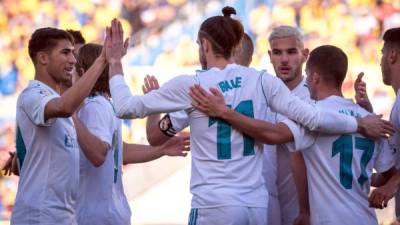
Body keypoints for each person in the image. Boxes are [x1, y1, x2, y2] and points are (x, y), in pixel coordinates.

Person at [107, 7, 392, 225]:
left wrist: (115, 62)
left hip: (214, 203)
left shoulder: (191, 86)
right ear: (235, 46)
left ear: (205, 45)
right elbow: (314, 119)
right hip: (256, 206)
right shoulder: (262, 82)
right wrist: (357, 122)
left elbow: (125, 107)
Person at [190, 44, 399, 225]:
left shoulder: (313, 117)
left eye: (308, 76)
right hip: (365, 218)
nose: (306, 82)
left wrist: (224, 112)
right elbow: (385, 177)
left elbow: (271, 135)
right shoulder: (371, 120)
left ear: (315, 77)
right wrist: (361, 178)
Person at [11, 20, 119, 224]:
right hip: (39, 215)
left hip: (64, 215)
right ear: (43, 58)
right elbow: (63, 107)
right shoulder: (33, 94)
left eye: (73, 53)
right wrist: (101, 61)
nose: (73, 60)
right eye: (65, 53)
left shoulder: (63, 104)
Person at [72, 43, 189, 225]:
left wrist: (70, 114)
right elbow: (122, 151)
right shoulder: (106, 104)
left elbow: (98, 154)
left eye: (73, 67)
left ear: (82, 70)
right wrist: (161, 149)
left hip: (96, 216)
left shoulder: (94, 107)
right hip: (113, 211)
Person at [267, 25, 310, 225]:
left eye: (291, 52)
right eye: (277, 52)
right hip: (263, 206)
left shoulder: (314, 96)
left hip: (304, 209)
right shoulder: (259, 94)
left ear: (304, 55)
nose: (284, 59)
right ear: (270, 56)